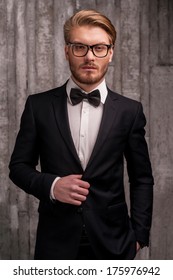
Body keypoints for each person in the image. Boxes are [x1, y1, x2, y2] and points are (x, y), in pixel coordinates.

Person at [9, 9, 154, 260]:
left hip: (114, 243)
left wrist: (139, 235)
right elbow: (19, 166)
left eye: (99, 48)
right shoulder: (38, 106)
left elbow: (141, 177)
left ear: (110, 53)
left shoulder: (130, 111)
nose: (89, 56)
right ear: (67, 51)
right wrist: (53, 186)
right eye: (79, 47)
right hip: (55, 243)